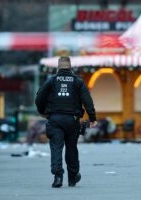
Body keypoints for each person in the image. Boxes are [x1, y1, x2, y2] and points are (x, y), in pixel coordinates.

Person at [35, 56, 97, 188]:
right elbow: (88, 101)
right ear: (70, 67)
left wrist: (43, 112)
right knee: (71, 148)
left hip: (55, 119)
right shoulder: (77, 81)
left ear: (58, 67)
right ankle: (73, 177)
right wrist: (92, 118)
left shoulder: (51, 81)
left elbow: (39, 97)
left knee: (56, 148)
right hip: (72, 120)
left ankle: (58, 177)